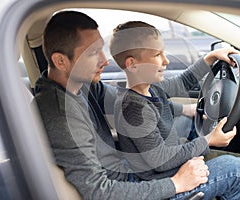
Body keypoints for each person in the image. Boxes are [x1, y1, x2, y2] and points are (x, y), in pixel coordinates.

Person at [33, 10, 220, 200]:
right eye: (92, 53)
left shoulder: (82, 86)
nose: (105, 61)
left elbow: (138, 99)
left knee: (187, 131)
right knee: (234, 170)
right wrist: (176, 183)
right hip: (125, 185)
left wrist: (183, 108)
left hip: (129, 170)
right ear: (60, 61)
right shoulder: (61, 116)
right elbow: (99, 192)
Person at [109, 21, 240, 199]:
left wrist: (211, 57)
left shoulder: (152, 89)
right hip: (164, 182)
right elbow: (160, 160)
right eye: (158, 55)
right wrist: (209, 140)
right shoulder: (133, 108)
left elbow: (183, 81)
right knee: (238, 170)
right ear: (133, 65)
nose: (166, 61)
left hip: (172, 166)